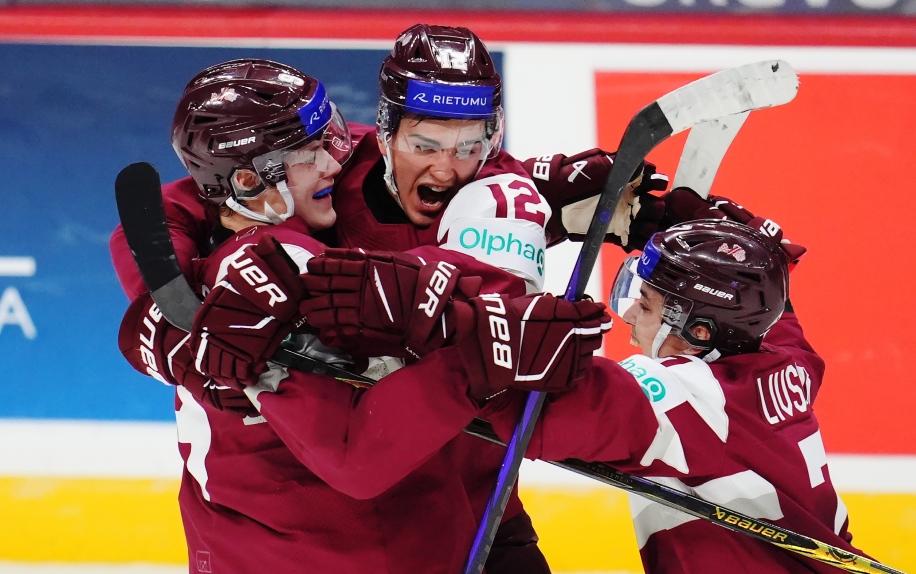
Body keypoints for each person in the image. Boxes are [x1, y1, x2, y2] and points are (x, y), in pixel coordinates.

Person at [112, 23, 669, 573]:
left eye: (472, 141)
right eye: (425, 143)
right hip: (290, 545)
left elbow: (498, 303)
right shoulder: (256, 273)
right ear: (389, 131)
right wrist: (169, 311)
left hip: (461, 512)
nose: (448, 166)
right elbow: (356, 453)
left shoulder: (479, 187)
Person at [327, 201, 869, 572]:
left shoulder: (681, 398)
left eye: (650, 305)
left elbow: (537, 415)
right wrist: (746, 243)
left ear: (698, 332)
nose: (631, 313)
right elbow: (779, 309)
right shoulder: (783, 360)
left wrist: (441, 333)